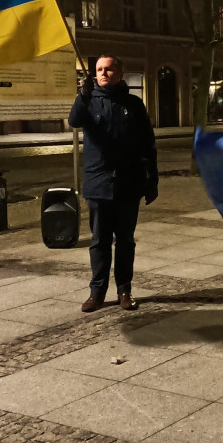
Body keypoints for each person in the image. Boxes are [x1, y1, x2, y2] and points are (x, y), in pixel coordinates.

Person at [68, 55, 158, 312]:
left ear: (120, 73)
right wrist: (82, 96)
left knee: (126, 241)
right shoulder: (89, 101)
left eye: (108, 69)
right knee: (99, 241)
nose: (103, 73)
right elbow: (73, 121)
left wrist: (152, 180)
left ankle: (124, 290)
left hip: (128, 184)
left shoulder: (134, 104)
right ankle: (97, 292)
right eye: (99, 70)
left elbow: (147, 145)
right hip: (98, 183)